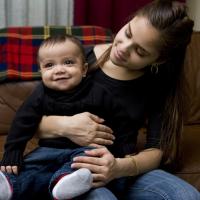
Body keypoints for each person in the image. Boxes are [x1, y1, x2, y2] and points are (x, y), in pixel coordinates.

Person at [35, 0, 200, 200]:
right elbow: (28, 121)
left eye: (140, 51)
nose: (123, 47)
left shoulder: (158, 83)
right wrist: (66, 125)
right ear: (130, 20)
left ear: (158, 60)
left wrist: (120, 168)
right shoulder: (78, 60)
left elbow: (156, 150)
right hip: (71, 169)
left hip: (123, 169)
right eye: (128, 33)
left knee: (187, 195)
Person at [0, 34, 143, 200]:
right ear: (42, 72)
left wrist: (126, 149)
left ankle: (65, 181)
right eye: (49, 65)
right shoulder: (40, 94)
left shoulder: (98, 92)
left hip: (85, 151)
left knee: (91, 161)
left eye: (68, 62)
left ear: (83, 69)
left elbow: (122, 121)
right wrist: (13, 151)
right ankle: (9, 185)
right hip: (49, 150)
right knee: (30, 165)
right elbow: (22, 121)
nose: (59, 69)